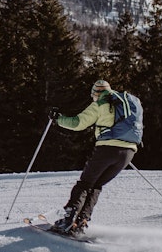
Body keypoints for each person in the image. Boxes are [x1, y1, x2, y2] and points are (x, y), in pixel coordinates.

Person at [47, 79, 142, 236]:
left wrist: (58, 119)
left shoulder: (101, 103)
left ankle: (67, 220)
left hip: (107, 149)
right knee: (96, 185)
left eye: (93, 95)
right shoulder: (127, 103)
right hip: (129, 152)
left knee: (84, 184)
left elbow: (77, 123)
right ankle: (81, 223)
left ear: (97, 93)